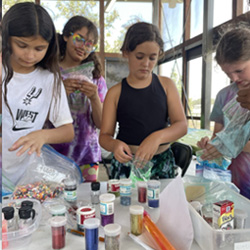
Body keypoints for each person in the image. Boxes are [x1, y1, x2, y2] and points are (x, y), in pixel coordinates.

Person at [99, 22, 187, 179]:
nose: (146, 64)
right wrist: (115, 145)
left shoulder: (166, 85)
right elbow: (105, 136)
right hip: (127, 162)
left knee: (162, 204)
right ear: (126, 52)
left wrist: (157, 137)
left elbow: (181, 125)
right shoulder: (115, 93)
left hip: (162, 161)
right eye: (139, 57)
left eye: (152, 58)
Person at [2, 2, 74, 185]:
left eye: (39, 49)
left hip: (28, 175)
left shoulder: (49, 79)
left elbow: (67, 131)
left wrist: (43, 135)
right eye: (22, 45)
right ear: (6, 38)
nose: (30, 55)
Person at [46, 16, 107, 182]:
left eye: (89, 44)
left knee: (86, 203)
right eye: (79, 39)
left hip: (87, 155)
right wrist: (60, 94)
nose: (83, 47)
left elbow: (102, 124)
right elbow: (40, 117)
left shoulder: (96, 78)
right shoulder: (49, 72)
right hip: (53, 154)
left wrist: (94, 97)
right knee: (55, 202)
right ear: (66, 36)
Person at [197, 27, 250, 199]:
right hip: (232, 178)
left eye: (239, 70)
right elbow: (219, 137)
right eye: (228, 73)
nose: (234, 78)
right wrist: (210, 144)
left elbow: (225, 143)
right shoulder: (224, 96)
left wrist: (229, 145)